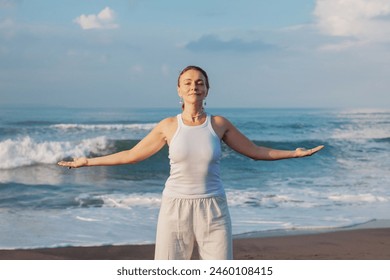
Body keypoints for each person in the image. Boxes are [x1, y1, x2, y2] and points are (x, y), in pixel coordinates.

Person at [58, 65, 324, 260]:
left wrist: (293, 153)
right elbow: (132, 155)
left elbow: (255, 151)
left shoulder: (218, 124)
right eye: (187, 82)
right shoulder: (168, 126)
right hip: (175, 207)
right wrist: (87, 162)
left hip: (214, 208)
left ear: (207, 89)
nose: (193, 86)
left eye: (199, 82)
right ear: (179, 89)